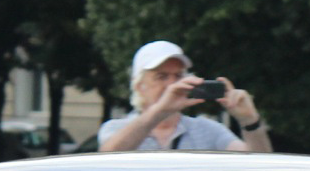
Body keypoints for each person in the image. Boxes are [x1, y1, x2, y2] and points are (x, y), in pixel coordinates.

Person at [98, 40, 272, 154]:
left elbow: (258, 166)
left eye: (178, 76)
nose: (172, 85)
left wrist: (250, 121)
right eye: (162, 77)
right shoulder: (116, 129)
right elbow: (105, 158)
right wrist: (159, 111)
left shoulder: (208, 130)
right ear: (139, 86)